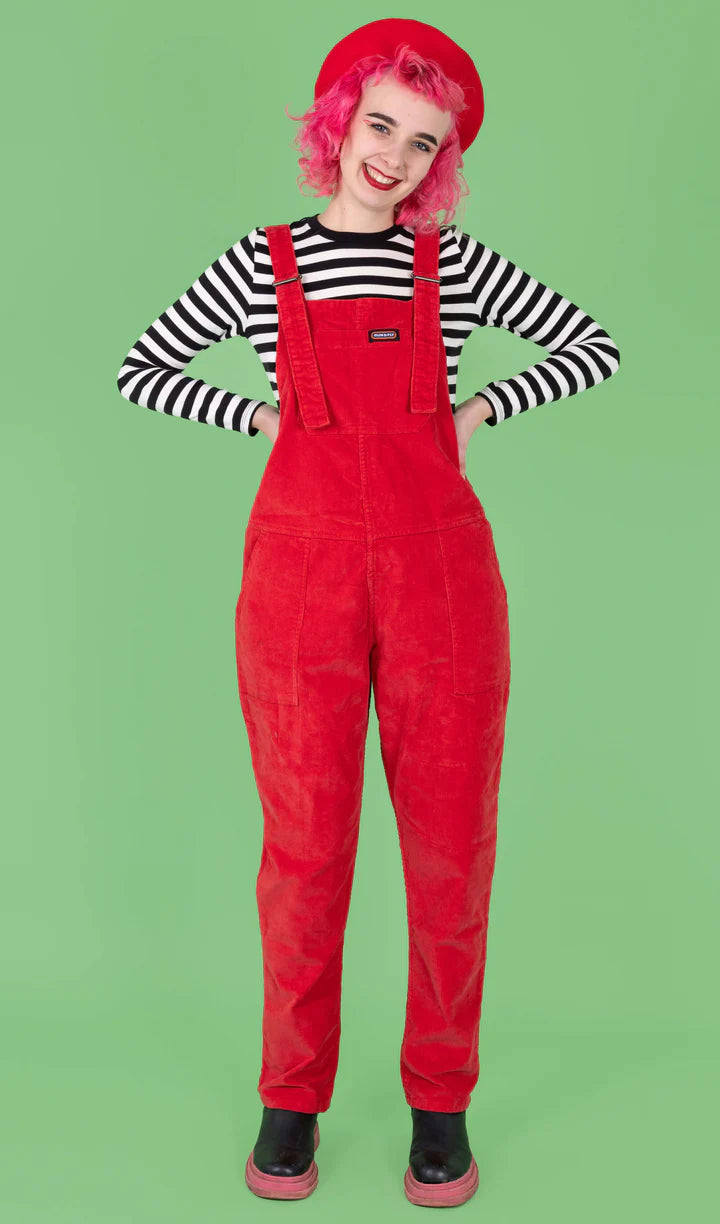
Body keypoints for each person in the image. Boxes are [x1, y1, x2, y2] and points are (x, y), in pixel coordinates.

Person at [117, 19, 621, 1208]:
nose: (392, 156)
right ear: (339, 123)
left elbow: (589, 344)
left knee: (452, 847)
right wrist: (260, 419)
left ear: (442, 161)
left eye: (422, 142)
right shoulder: (263, 264)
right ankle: (290, 1098)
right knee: (304, 850)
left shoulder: (456, 264)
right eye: (379, 126)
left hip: (445, 580)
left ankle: (441, 1105)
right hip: (300, 582)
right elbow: (148, 366)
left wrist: (477, 411)